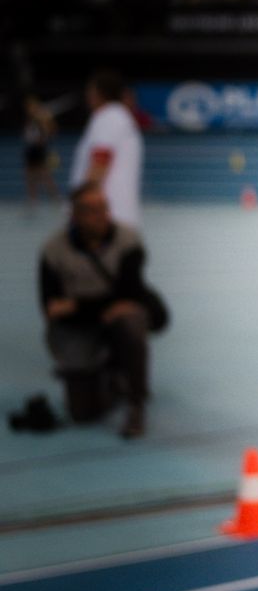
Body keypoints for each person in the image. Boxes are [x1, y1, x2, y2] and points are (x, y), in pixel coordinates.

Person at [40, 181, 155, 437]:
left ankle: (136, 403)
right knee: (82, 415)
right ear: (75, 215)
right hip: (77, 331)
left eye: (104, 207)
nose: (102, 215)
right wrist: (105, 304)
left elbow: (131, 295)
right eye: (92, 210)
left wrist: (74, 305)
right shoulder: (53, 251)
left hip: (111, 321)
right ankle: (108, 376)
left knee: (131, 320)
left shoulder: (128, 240)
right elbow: (50, 309)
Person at [69, 68, 144, 228]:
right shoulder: (118, 117)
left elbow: (100, 162)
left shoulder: (109, 117)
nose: (87, 95)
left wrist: (81, 209)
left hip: (102, 220)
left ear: (98, 93)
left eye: (90, 90)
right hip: (111, 217)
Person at [22, 93, 59, 207]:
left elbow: (52, 130)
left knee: (45, 175)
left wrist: (44, 136)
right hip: (30, 148)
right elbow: (28, 133)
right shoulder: (29, 119)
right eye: (28, 107)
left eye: (32, 106)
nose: (30, 109)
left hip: (39, 148)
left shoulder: (42, 116)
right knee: (29, 175)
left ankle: (55, 198)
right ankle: (32, 199)